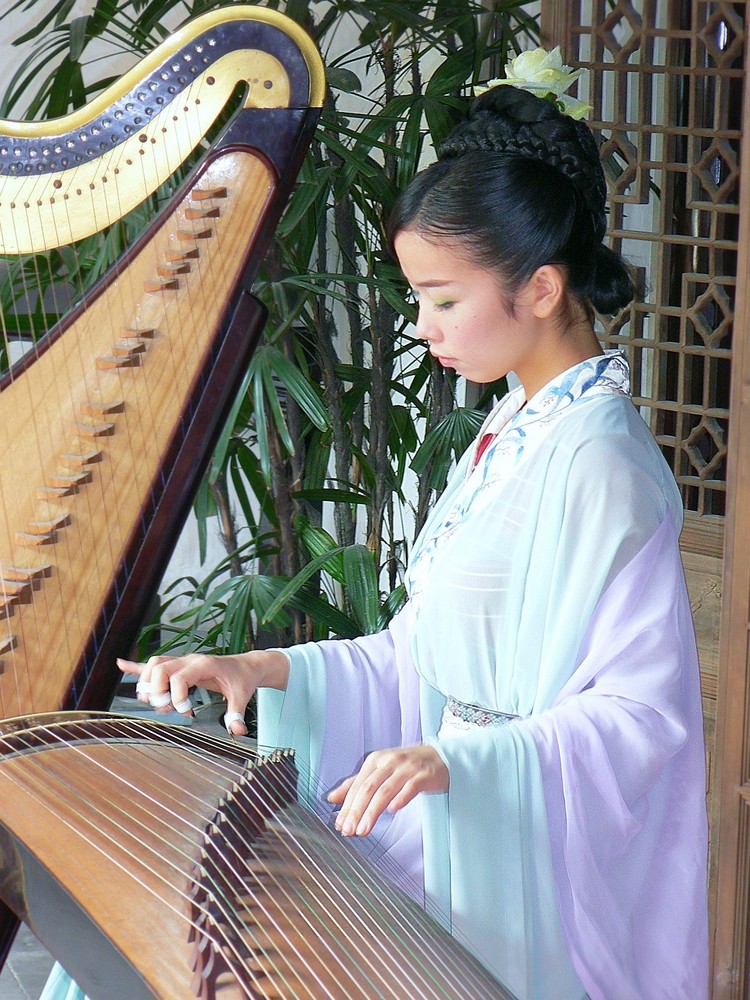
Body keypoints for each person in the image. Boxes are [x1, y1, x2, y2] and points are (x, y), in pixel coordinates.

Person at [43, 51, 708, 1000]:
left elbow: (641, 721)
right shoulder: (516, 426)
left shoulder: (599, 461)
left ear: (544, 290)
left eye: (444, 301)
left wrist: (456, 761)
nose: (424, 327)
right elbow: (421, 658)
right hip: (449, 811)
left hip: (507, 852)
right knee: (162, 930)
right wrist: (265, 669)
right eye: (417, 300)